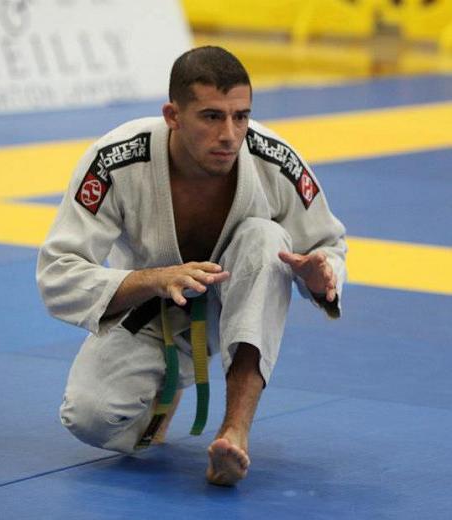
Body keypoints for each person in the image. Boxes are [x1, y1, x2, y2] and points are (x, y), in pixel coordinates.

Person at [36, 46, 346, 486]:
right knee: (89, 417)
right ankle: (166, 384)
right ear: (173, 115)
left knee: (266, 239)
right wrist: (155, 279)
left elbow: (327, 243)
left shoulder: (274, 160)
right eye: (211, 117)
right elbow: (57, 271)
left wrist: (320, 276)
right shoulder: (116, 161)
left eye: (241, 116)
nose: (230, 134)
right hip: (147, 306)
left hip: (241, 299)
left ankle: (235, 431)